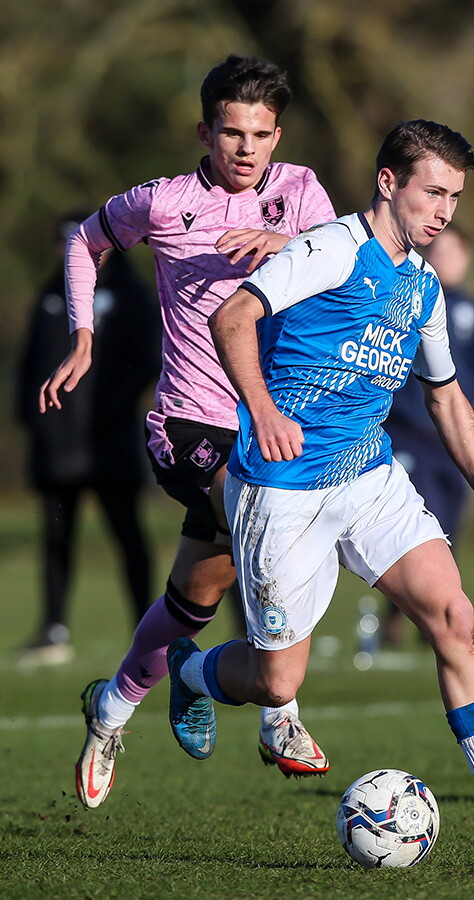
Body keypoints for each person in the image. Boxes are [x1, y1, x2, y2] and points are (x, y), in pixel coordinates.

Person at [166, 119, 474, 864]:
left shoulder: (421, 285)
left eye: (454, 196)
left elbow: (447, 398)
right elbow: (233, 317)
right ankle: (191, 670)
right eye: (432, 191)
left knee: (455, 616)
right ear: (388, 182)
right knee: (275, 681)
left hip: (368, 476)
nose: (445, 210)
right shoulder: (329, 250)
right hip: (283, 490)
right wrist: (261, 412)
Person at [40, 55, 335, 809]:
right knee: (267, 527)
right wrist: (84, 336)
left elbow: (345, 261)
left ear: (278, 136)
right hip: (189, 421)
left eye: (259, 135)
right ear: (205, 132)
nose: (244, 148)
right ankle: (280, 717)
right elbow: (84, 241)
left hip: (270, 418)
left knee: (192, 600)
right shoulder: (165, 202)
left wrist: (285, 248)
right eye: (230, 132)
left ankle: (111, 707)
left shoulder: (299, 192)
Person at [16, 212, 160, 666]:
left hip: (110, 443)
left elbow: (147, 359)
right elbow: (29, 364)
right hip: (58, 447)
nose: (68, 253)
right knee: (57, 539)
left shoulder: (130, 295)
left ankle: (147, 629)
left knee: (128, 537)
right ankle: (53, 628)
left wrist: (111, 409)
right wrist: (31, 418)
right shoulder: (49, 295)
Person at [382, 223, 474, 647]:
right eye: (440, 251)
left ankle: (442, 616)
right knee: (416, 528)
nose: (448, 260)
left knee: (450, 527)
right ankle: (399, 618)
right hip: (410, 436)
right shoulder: (410, 296)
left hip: (450, 441)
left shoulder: (471, 309)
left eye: (456, 252)